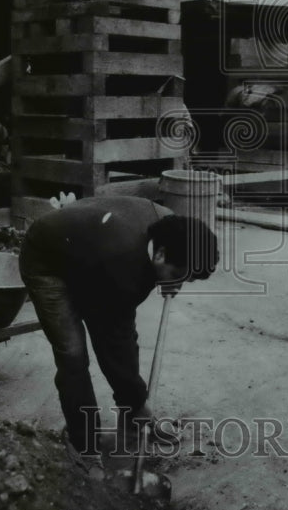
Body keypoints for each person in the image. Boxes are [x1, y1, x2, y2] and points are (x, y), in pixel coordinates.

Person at [18, 195, 219, 478]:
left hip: (87, 247)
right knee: (73, 354)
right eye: (178, 275)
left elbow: (122, 332)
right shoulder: (122, 262)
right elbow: (113, 341)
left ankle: (134, 416)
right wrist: (140, 400)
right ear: (159, 254)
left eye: (186, 279)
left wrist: (136, 401)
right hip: (48, 259)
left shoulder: (169, 227)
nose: (179, 286)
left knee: (123, 338)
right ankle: (83, 446)